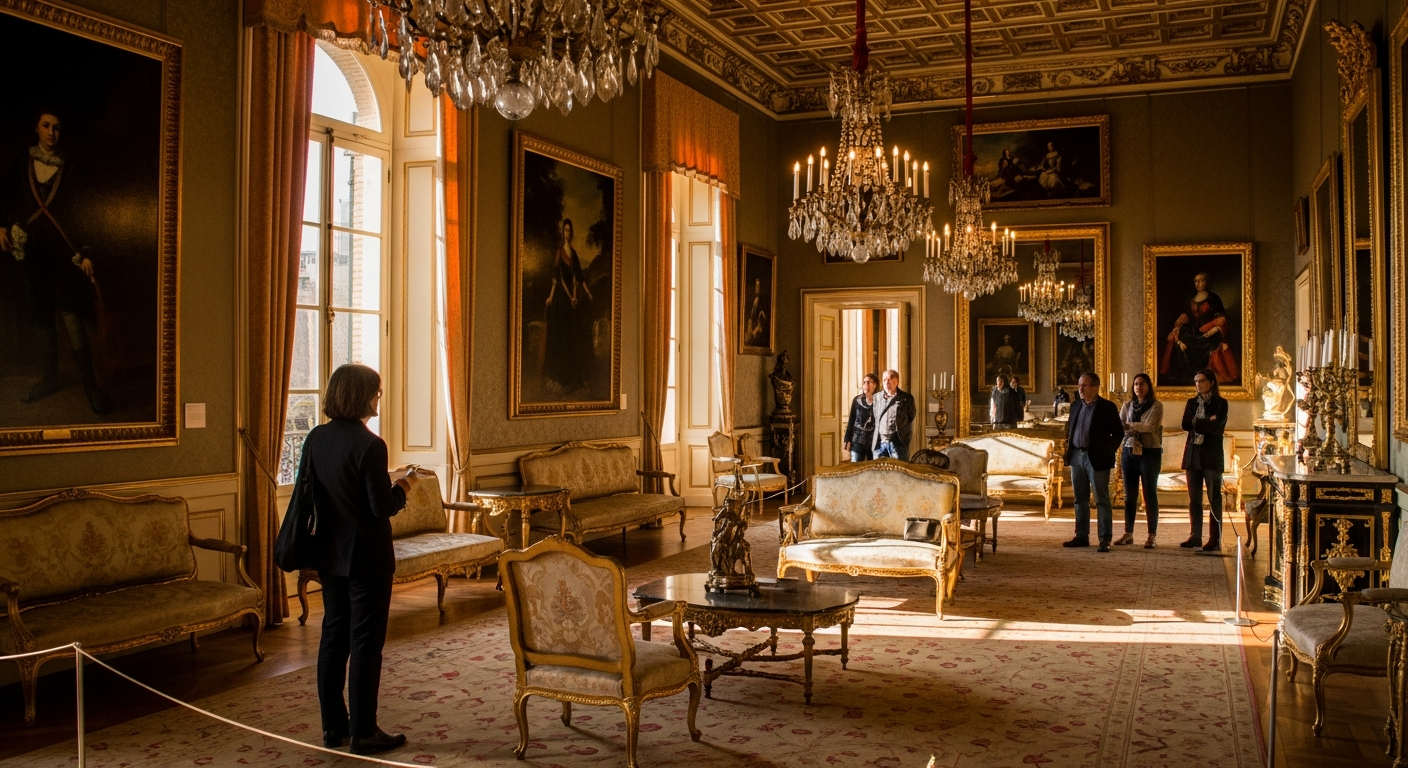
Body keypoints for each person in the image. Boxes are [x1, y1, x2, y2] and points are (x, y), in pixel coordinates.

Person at [299, 363, 419, 755]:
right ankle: (364, 730)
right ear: (363, 395)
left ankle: (334, 727)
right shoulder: (371, 444)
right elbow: (380, 507)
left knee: (333, 639)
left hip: (329, 553)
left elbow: (313, 495)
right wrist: (403, 485)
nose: (378, 398)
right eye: (377, 392)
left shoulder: (316, 438)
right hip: (366, 557)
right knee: (366, 643)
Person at [0, 108, 111, 414]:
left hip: (64, 254)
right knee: (40, 315)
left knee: (72, 315)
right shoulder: (21, 161)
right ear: (36, 128)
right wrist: (2, 225)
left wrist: (87, 251)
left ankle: (91, 387)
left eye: (57, 128)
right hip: (32, 254)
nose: (51, 132)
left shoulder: (73, 167)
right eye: (46, 126)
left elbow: (88, 211)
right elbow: (7, 196)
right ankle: (49, 379)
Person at [1063, 372, 1123, 552]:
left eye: (1085, 385)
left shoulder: (1107, 407)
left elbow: (1118, 433)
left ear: (1096, 387)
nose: (1080, 388)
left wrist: (1107, 451)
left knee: (1101, 499)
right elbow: (1070, 430)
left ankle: (1105, 538)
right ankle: (1081, 535)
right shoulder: (1075, 406)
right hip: (1077, 456)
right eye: (1080, 385)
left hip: (1096, 458)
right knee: (1079, 499)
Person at [542, 218, 595, 394]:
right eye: (565, 230)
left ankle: (573, 378)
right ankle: (558, 378)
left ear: (571, 234)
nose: (567, 234)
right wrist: (550, 297)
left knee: (573, 338)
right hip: (560, 301)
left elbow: (579, 276)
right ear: (562, 232)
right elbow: (557, 279)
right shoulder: (559, 253)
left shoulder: (574, 254)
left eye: (569, 231)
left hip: (571, 299)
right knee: (561, 337)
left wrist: (585, 293)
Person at [1159, 271, 1238, 386]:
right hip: (1194, 329)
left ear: (1206, 282)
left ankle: (1205, 373)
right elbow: (1188, 316)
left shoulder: (1213, 298)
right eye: (1196, 281)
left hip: (1209, 329)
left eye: (1201, 280)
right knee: (1182, 335)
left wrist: (1214, 329)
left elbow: (1221, 317)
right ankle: (1188, 373)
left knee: (1207, 341)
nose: (1198, 283)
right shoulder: (1192, 299)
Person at [1180, 368, 1228, 552]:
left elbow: (1217, 428)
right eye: (1196, 381)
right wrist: (1208, 420)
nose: (1198, 384)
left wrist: (1199, 423)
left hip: (1212, 456)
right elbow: (1185, 424)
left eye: (1202, 381)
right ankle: (1195, 536)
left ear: (1211, 382)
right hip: (1193, 454)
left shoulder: (1221, 403)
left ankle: (1215, 539)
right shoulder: (1191, 403)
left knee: (1214, 498)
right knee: (1195, 499)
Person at [1117, 373, 1163, 549]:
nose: (1138, 387)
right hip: (1129, 450)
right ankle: (1128, 533)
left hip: (1150, 452)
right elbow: (1120, 426)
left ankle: (1152, 535)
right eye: (1136, 384)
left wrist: (1131, 426)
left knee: (1149, 494)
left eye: (1142, 384)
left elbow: (1151, 426)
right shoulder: (1127, 405)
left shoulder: (1156, 406)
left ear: (1148, 386)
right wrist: (1130, 428)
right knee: (1130, 495)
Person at [871, 369, 916, 461]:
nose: (887, 382)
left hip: (898, 441)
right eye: (884, 380)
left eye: (890, 379)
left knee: (900, 470)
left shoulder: (906, 398)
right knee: (878, 472)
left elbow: (911, 415)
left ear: (897, 381)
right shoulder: (876, 397)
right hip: (879, 442)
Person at [843, 373, 878, 462]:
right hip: (857, 440)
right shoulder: (857, 400)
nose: (866, 385)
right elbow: (851, 420)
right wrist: (847, 440)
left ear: (875, 385)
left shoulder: (880, 401)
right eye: (864, 382)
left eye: (869, 382)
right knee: (856, 469)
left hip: (874, 441)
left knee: (874, 470)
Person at [746, 278, 768, 348]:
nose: (757, 288)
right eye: (756, 286)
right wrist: (749, 322)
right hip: (752, 325)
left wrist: (758, 327)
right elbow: (750, 314)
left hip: (758, 327)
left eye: (758, 286)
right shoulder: (751, 300)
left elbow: (764, 318)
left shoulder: (762, 302)